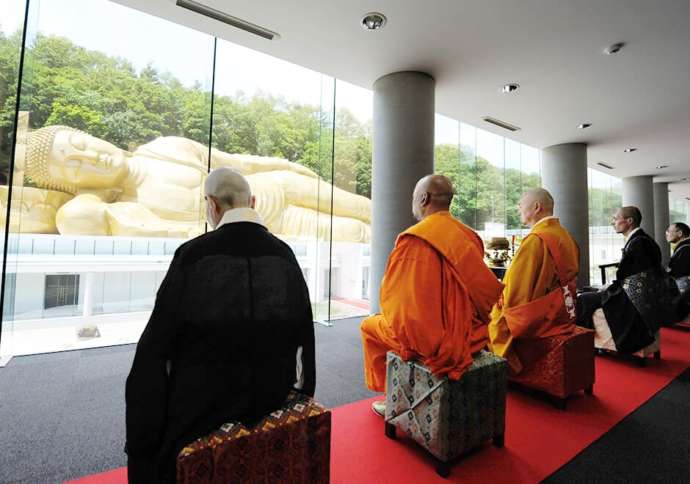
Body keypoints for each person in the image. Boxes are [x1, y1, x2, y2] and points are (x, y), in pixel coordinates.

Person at [124, 167, 316, 483]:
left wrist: (142, 441)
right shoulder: (285, 256)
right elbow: (304, 343)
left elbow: (155, 352)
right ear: (252, 201)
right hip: (272, 402)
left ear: (211, 205)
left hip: (201, 415)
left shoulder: (194, 255)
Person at [20, 125, 371, 241]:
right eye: (75, 167)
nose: (92, 157)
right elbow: (77, 220)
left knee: (365, 208)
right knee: (358, 232)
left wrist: (288, 165)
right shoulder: (125, 209)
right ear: (76, 186)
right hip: (273, 223)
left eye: (82, 145)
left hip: (277, 185)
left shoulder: (163, 148)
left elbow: (234, 161)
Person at [360, 174, 503, 416]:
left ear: (424, 198)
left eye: (414, 197)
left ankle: (393, 399)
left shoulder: (414, 239)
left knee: (369, 327)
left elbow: (401, 308)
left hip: (436, 343)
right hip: (473, 335)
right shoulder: (470, 236)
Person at [488, 188, 579, 374]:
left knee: (489, 321)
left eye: (521, 203)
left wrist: (496, 308)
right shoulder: (565, 235)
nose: (518, 207)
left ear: (537, 207)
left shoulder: (536, 240)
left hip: (540, 318)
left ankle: (498, 372)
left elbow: (516, 292)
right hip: (561, 312)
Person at [577, 206, 673, 352]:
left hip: (632, 298)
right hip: (643, 294)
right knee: (592, 293)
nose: (612, 222)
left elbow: (631, 278)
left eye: (616, 218)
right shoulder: (643, 240)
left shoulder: (639, 243)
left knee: (583, 298)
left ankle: (585, 344)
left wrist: (610, 289)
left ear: (629, 221)